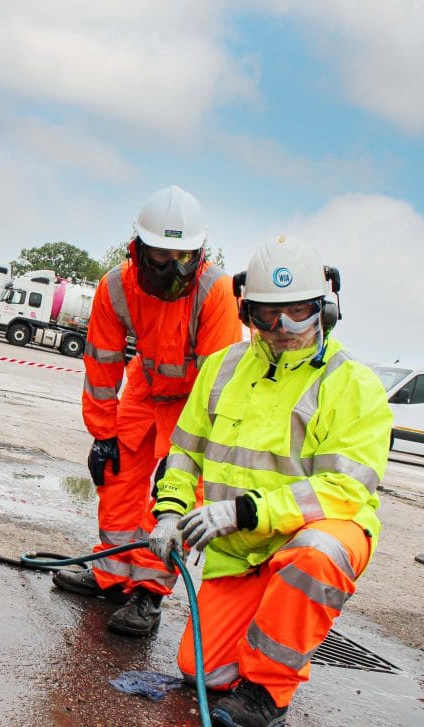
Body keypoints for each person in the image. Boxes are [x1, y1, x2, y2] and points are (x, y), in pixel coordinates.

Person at [143, 235, 392, 726]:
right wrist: (170, 512)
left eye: (298, 312)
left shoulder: (352, 384)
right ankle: (263, 623)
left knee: (318, 554)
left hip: (308, 538)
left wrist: (243, 511)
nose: (283, 329)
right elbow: (184, 453)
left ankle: (267, 693)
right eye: (268, 315)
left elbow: (345, 489)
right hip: (241, 554)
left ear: (325, 309)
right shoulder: (222, 368)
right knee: (202, 671)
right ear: (247, 311)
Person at [52, 185, 242, 637]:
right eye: (161, 255)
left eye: (183, 256)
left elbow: (218, 384)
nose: (173, 267)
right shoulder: (116, 286)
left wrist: (185, 458)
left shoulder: (217, 292)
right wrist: (102, 432)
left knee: (174, 500)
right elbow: (102, 364)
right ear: (138, 248)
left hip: (194, 402)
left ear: (199, 252)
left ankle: (149, 591)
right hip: (146, 389)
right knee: (116, 476)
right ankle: (112, 574)